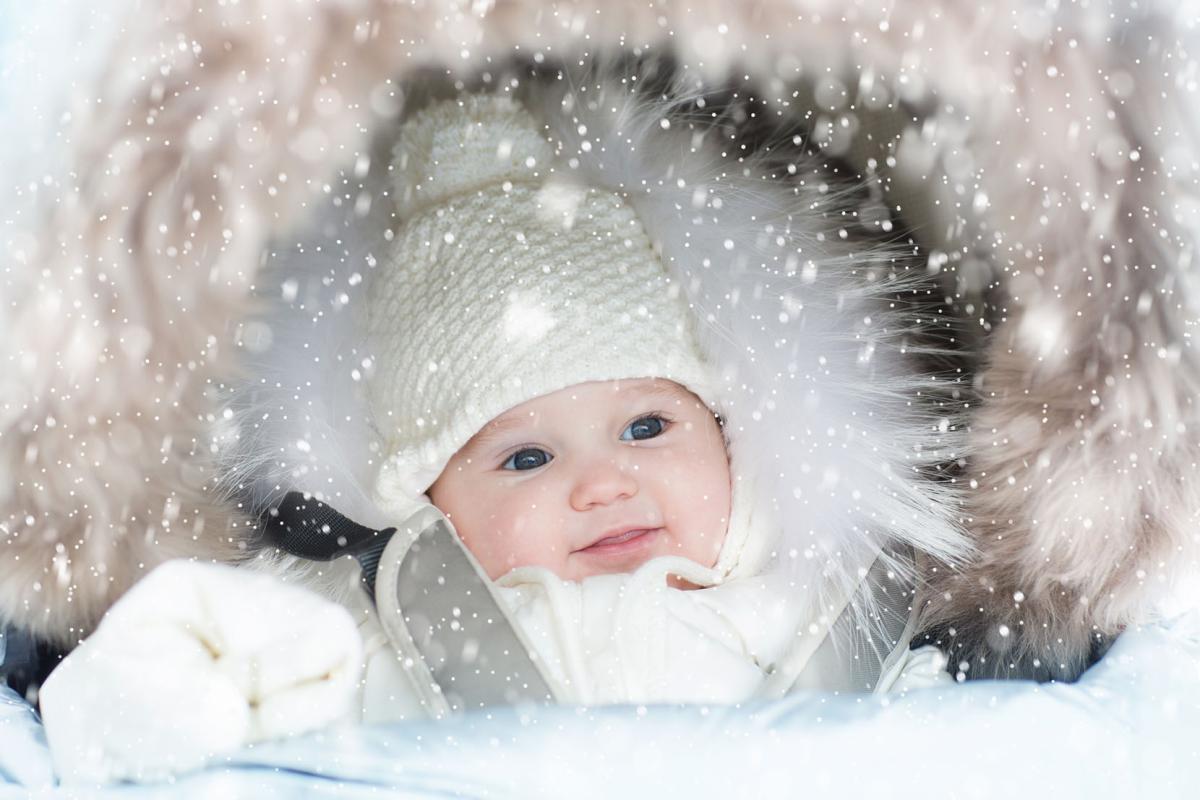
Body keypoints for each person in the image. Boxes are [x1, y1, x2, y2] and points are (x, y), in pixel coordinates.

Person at [39, 79, 964, 783]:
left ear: (727, 433)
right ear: (429, 499)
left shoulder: (830, 599)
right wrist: (151, 693)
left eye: (647, 424)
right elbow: (156, 675)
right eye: (526, 456)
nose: (603, 483)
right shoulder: (358, 628)